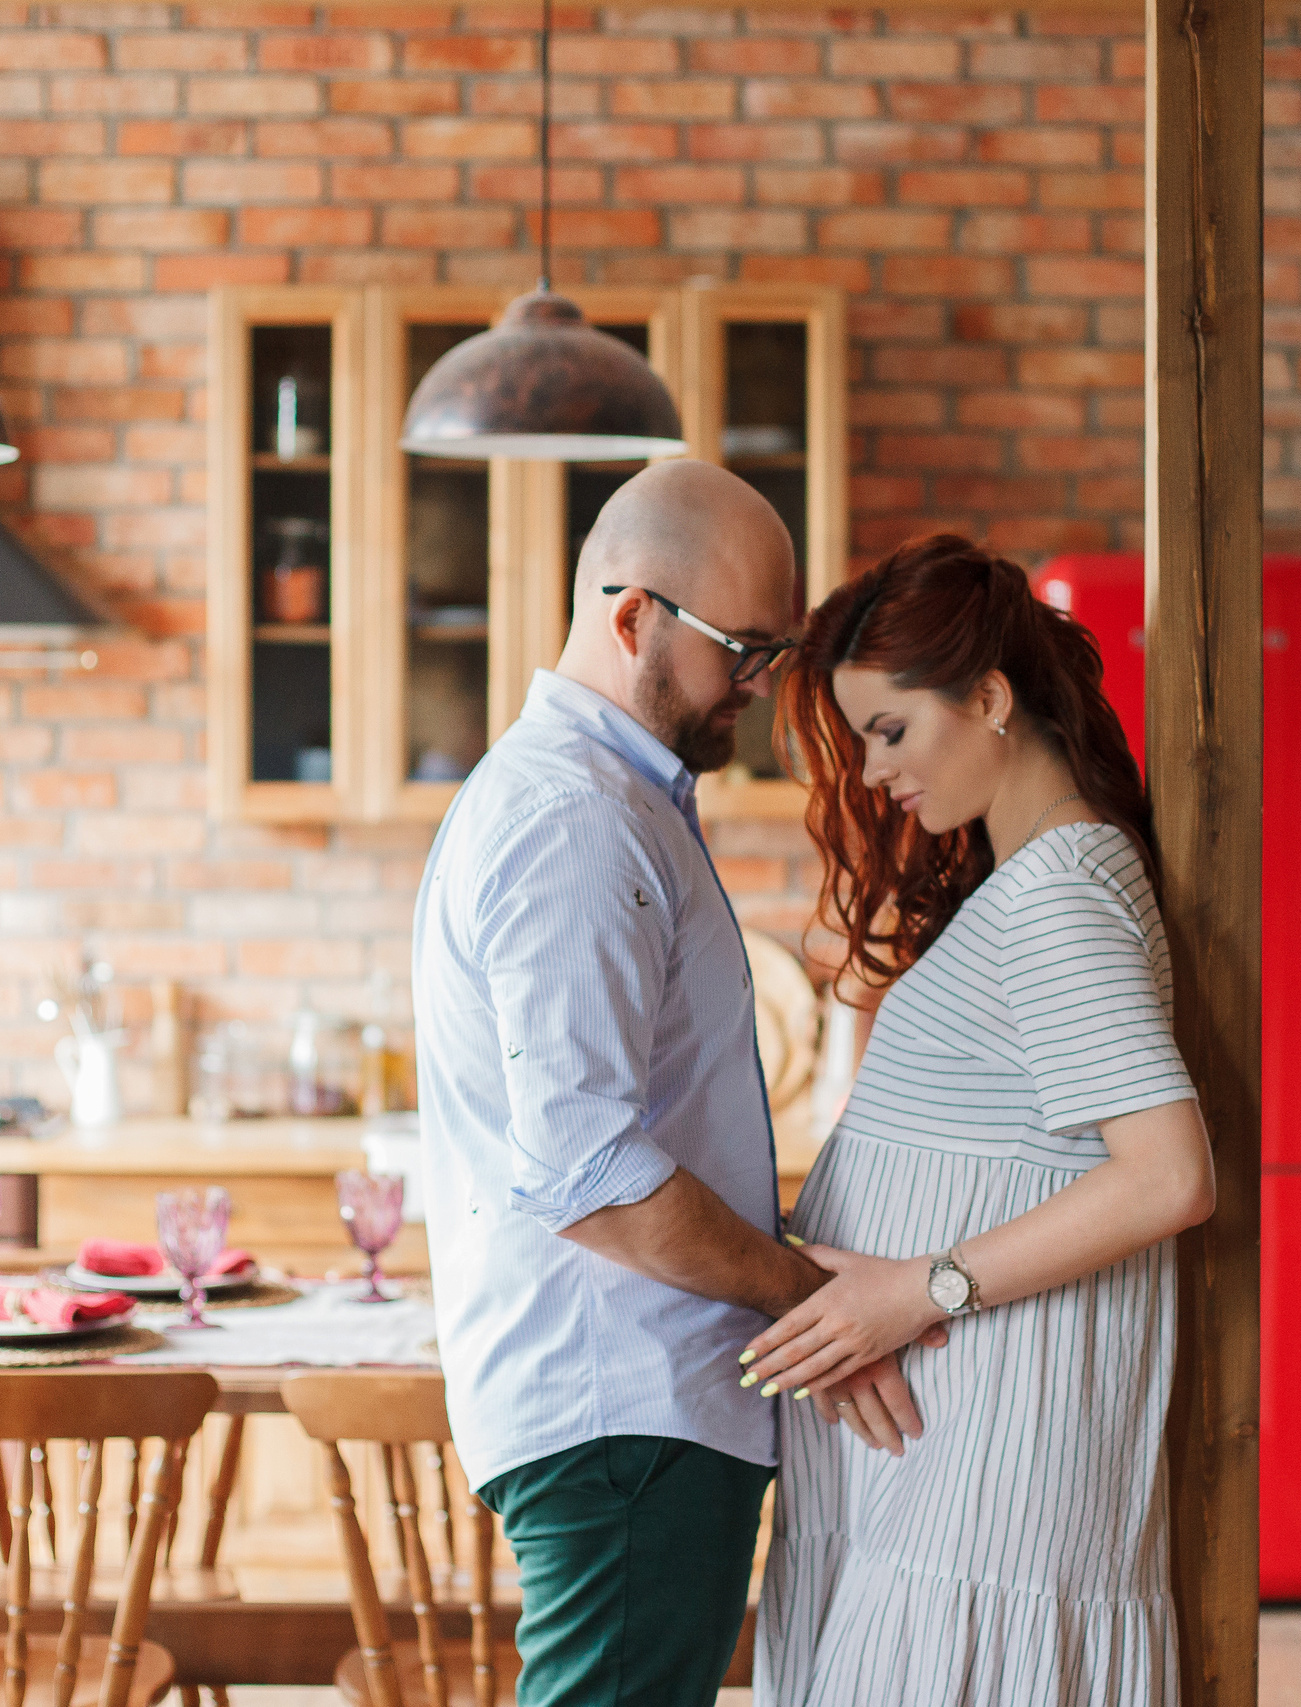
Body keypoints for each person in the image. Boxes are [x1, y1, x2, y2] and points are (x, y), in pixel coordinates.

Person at [412, 459, 927, 1707]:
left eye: (776, 654)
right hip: (622, 1411)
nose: (757, 686)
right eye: (741, 650)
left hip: (638, 1406)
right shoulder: (573, 822)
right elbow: (590, 1175)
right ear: (631, 615)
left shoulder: (616, 800)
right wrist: (817, 1307)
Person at [746, 534, 1217, 1706]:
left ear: (991, 697)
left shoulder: (1059, 890)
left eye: (890, 731)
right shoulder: (1033, 879)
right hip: (952, 1436)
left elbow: (1167, 1178)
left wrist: (918, 1289)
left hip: (991, 1440)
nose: (867, 772)